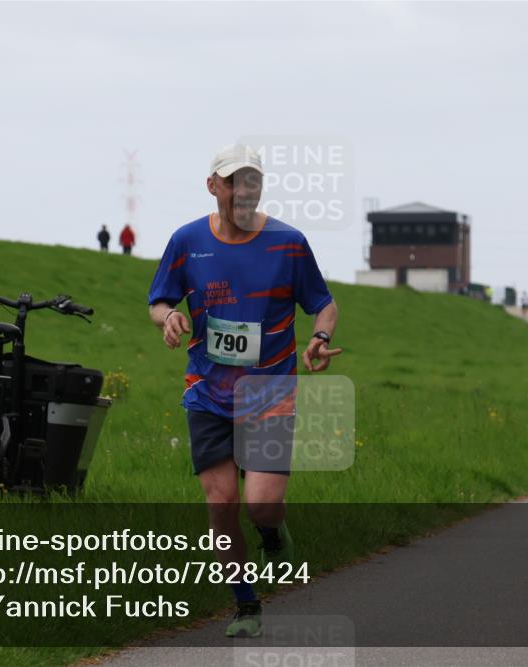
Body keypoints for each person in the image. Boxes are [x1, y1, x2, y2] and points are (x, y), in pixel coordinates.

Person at [147, 144, 341, 638]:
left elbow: (323, 303)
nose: (242, 190)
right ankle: (245, 603)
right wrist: (168, 317)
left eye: (251, 180)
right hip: (207, 392)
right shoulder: (187, 241)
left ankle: (272, 533)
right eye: (233, 181)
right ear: (213, 186)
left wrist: (320, 337)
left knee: (260, 504)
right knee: (221, 504)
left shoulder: (288, 243)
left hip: (269, 393)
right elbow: (159, 300)